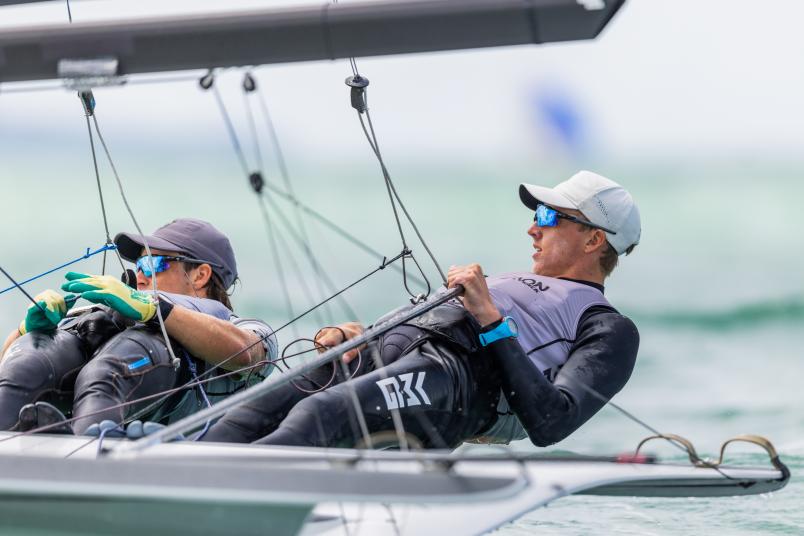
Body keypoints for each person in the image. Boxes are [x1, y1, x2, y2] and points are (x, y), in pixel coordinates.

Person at [202, 171, 640, 448]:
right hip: (389, 354)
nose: (532, 228)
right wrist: (364, 332)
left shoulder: (608, 327)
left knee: (322, 414)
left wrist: (489, 318)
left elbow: (551, 421)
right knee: (251, 412)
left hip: (454, 381)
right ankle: (165, 486)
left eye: (547, 218)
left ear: (593, 239)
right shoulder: (523, 280)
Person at [0, 218, 276, 434]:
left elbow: (246, 354)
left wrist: (154, 308)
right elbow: (8, 365)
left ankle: (82, 458)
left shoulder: (243, 327)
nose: (140, 275)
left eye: (152, 264)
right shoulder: (106, 311)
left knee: (109, 369)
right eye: (138, 264)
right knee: (28, 363)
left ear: (201, 275)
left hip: (176, 464)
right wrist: (27, 331)